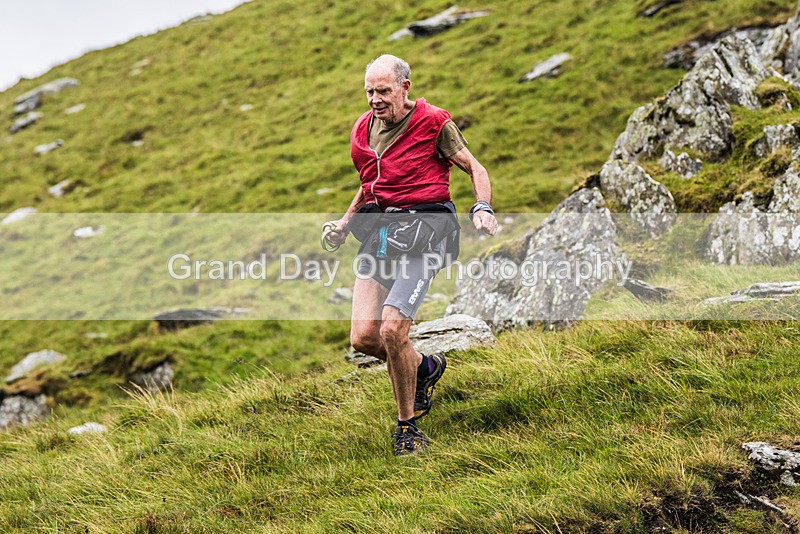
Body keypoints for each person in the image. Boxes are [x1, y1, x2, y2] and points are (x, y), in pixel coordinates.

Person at [326, 54, 497, 456]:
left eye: (383, 90)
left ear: (405, 87)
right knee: (364, 337)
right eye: (369, 91)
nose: (374, 99)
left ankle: (408, 427)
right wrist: (345, 222)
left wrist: (482, 207)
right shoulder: (363, 129)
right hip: (383, 233)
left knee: (391, 331)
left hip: (427, 234)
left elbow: (475, 167)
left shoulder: (433, 122)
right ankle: (423, 366)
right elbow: (369, 182)